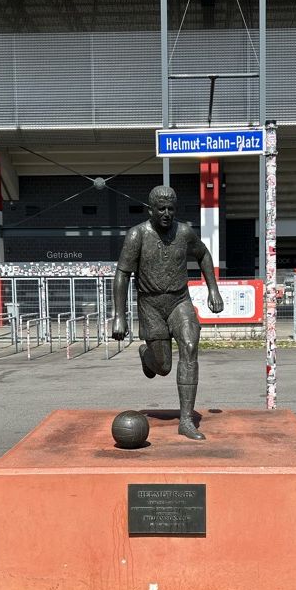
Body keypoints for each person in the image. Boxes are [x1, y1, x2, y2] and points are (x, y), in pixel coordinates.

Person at [111, 185, 224, 440]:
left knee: (190, 346)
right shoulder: (137, 235)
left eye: (171, 209)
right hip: (150, 305)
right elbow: (122, 274)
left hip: (179, 301)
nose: (166, 213)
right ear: (150, 210)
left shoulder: (184, 232)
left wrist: (213, 290)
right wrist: (119, 315)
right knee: (163, 367)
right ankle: (146, 354)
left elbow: (203, 255)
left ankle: (186, 420)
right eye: (161, 209)